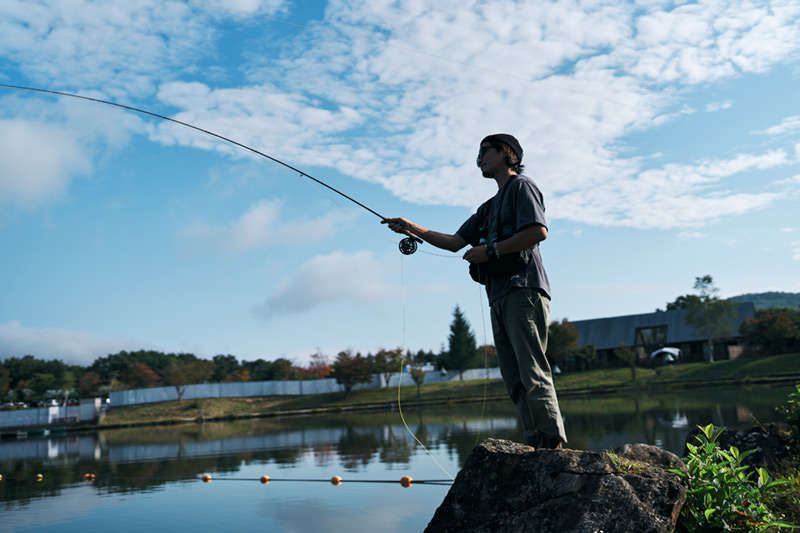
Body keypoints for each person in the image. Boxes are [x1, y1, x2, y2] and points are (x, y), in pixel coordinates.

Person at [383, 134, 567, 449]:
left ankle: (552, 442)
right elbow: (455, 242)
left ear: (507, 153)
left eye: (485, 151)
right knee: (514, 378)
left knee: (532, 369)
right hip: (498, 295)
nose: (478, 158)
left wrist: (490, 251)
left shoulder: (523, 187)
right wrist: (409, 227)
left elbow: (538, 232)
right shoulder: (487, 208)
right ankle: (536, 442)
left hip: (524, 290)